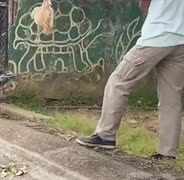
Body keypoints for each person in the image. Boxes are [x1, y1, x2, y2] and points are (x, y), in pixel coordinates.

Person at [76, 0, 184, 160]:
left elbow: (144, 6)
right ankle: (167, 152)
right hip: (180, 42)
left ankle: (105, 135)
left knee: (119, 81)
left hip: (156, 38)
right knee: (171, 98)